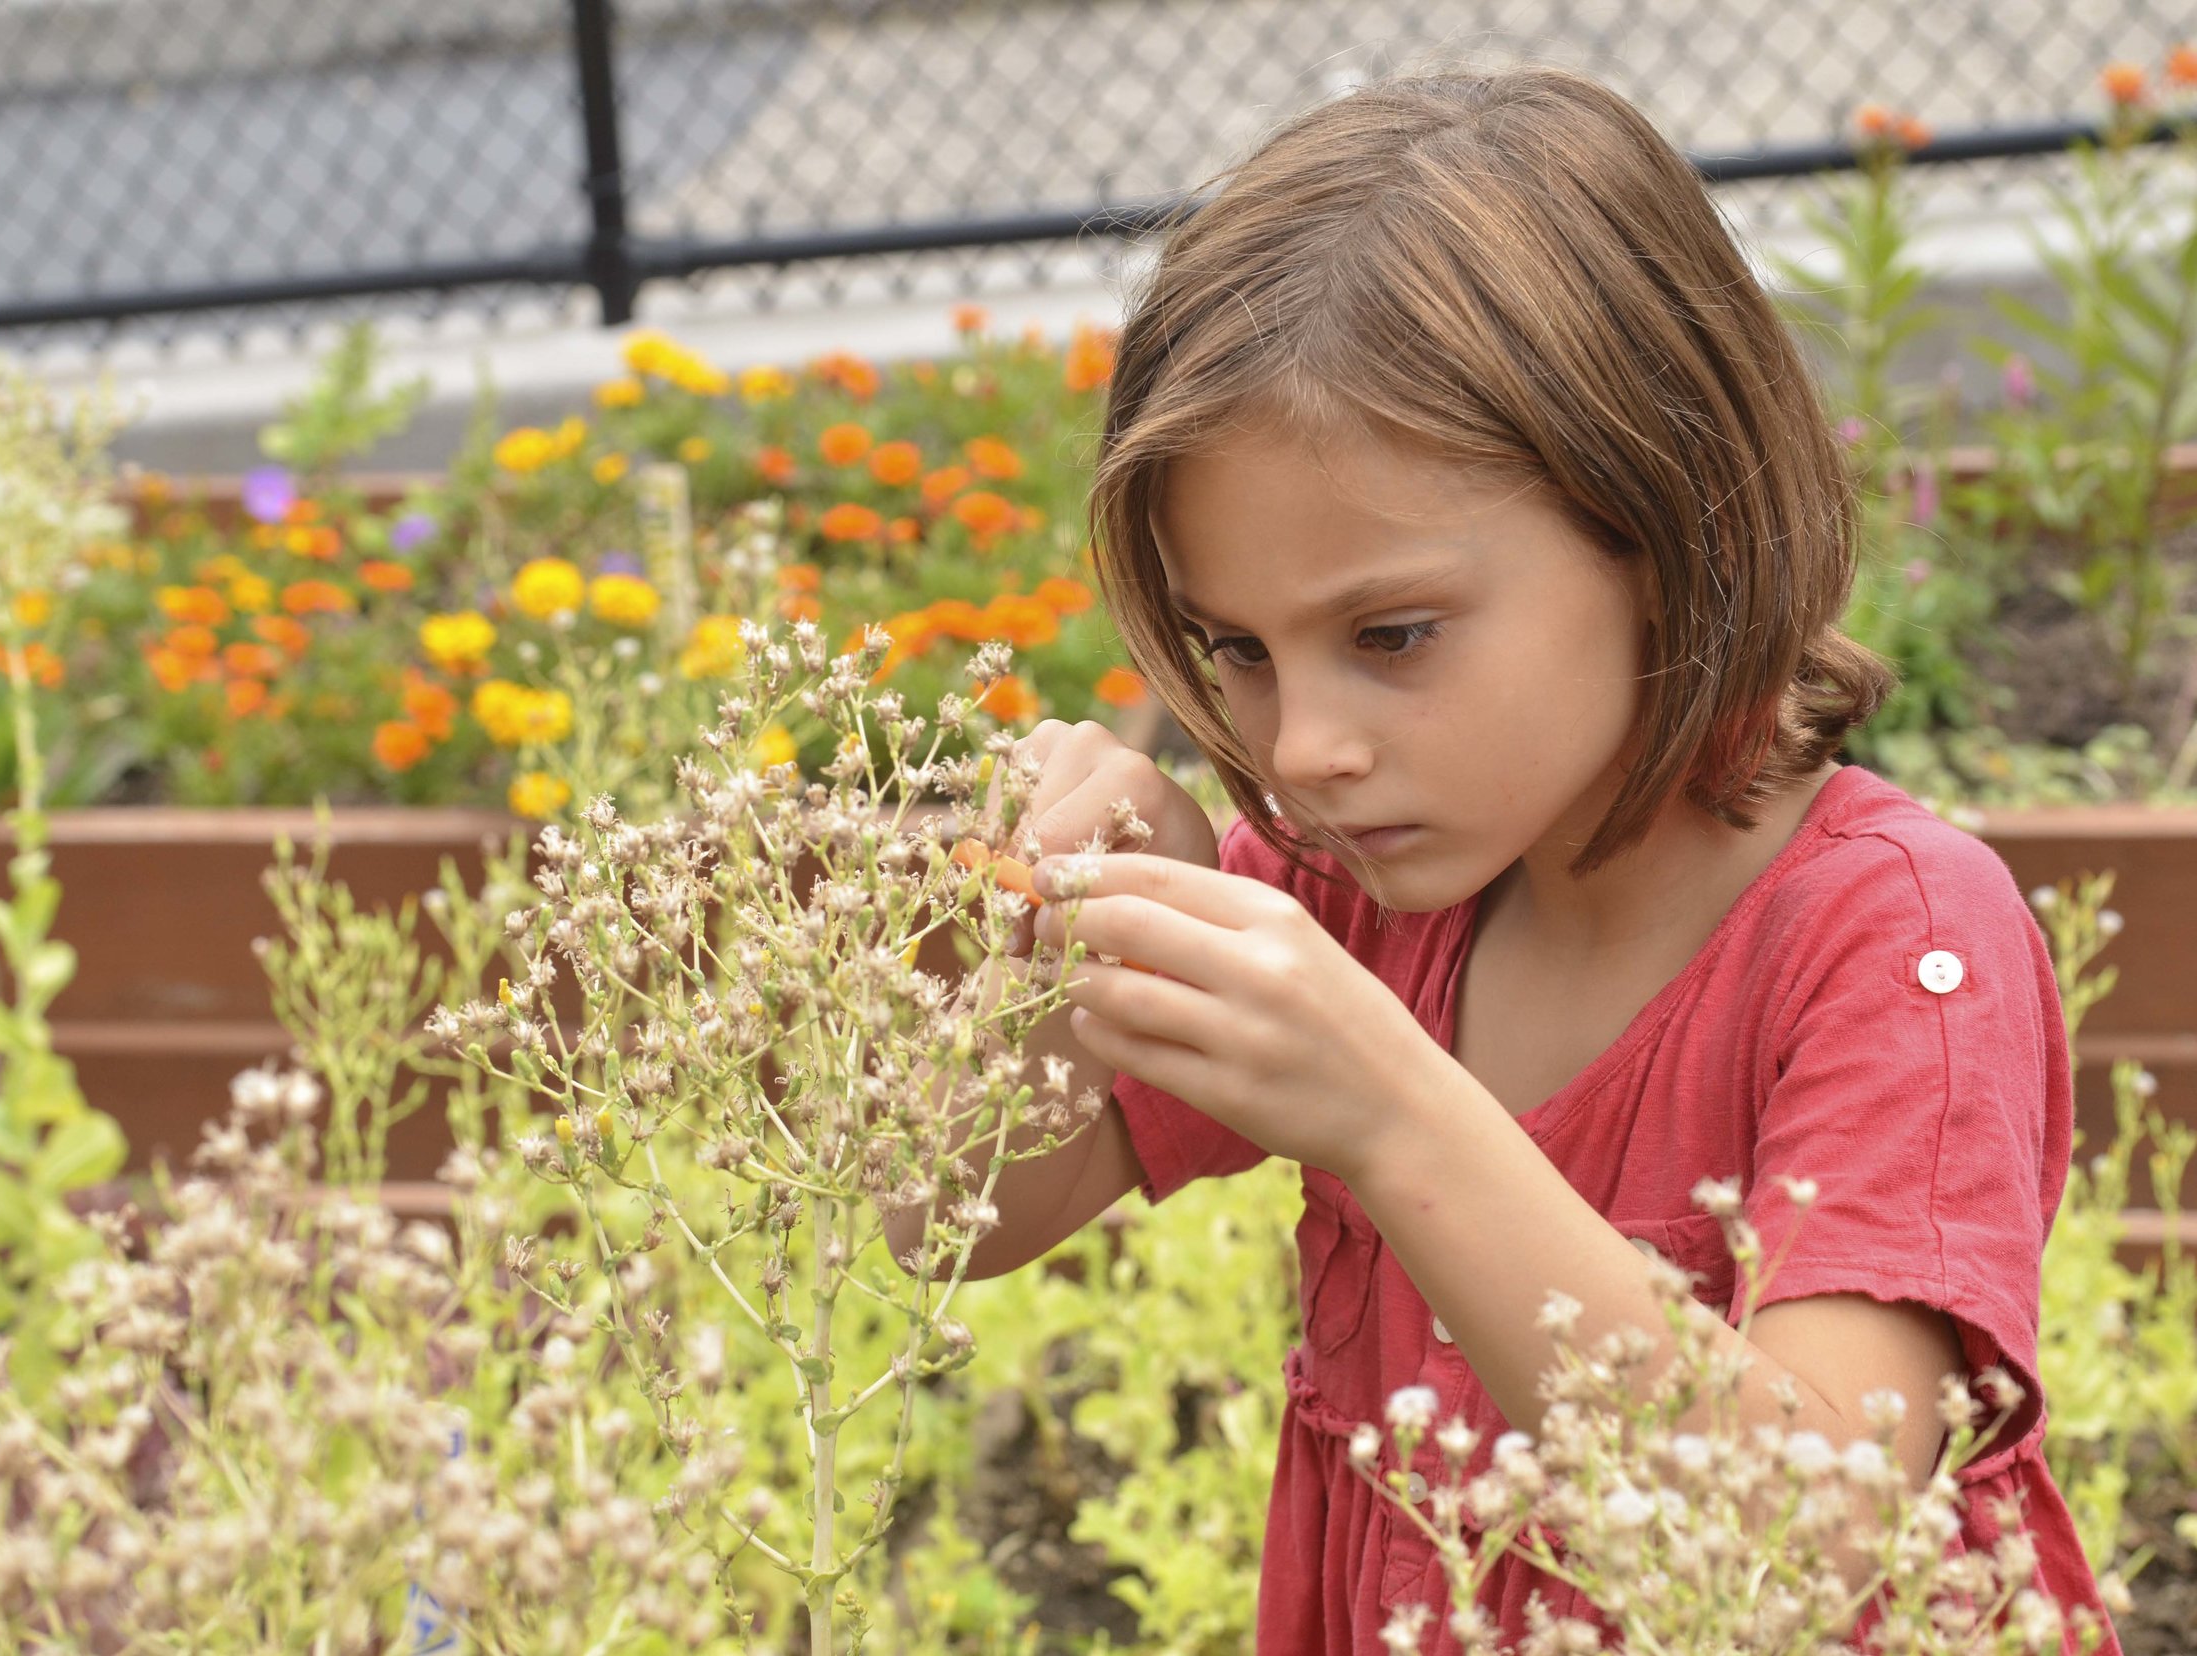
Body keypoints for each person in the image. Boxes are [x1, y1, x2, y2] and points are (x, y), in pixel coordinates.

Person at [880, 63, 2120, 1655]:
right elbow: (957, 1225)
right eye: (1237, 649)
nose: (1302, 744)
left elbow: (1805, 1547)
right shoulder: (1355, 882)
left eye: (1390, 635)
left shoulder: (1893, 941)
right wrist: (1064, 944)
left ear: (1671, 536)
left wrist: (1394, 1118)